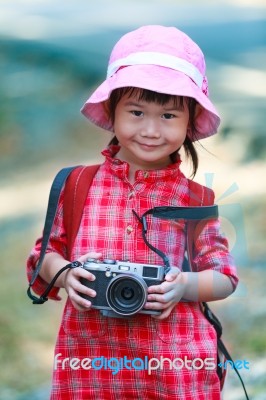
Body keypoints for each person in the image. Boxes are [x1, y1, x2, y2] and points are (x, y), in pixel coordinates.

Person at [27, 25, 239, 399]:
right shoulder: (77, 185)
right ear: (112, 110)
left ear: (190, 122)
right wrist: (65, 274)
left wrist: (184, 286)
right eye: (137, 112)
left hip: (174, 369)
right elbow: (44, 255)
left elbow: (223, 278)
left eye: (169, 116)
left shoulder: (195, 198)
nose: (151, 130)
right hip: (92, 366)